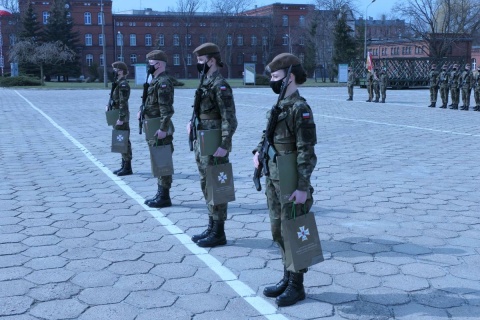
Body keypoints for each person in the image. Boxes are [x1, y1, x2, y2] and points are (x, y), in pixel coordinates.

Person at [253, 53, 318, 307]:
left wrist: (303, 187)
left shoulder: (300, 109)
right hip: (275, 177)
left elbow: (307, 151)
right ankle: (287, 275)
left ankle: (297, 285)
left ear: (289, 77)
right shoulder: (280, 105)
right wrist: (258, 153)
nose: (272, 80)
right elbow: (267, 134)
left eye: (275, 76)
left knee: (295, 230)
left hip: (292, 180)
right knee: (278, 230)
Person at [188, 43, 237, 248]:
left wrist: (225, 144)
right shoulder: (205, 81)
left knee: (216, 184)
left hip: (215, 141)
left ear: (211, 61)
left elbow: (230, 119)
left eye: (201, 61)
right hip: (204, 139)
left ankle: (219, 232)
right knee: (206, 182)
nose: (198, 65)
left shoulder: (220, 85)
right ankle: (211, 225)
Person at [141, 50, 175, 208]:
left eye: (151, 64)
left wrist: (163, 128)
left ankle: (164, 196)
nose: (149, 67)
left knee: (162, 160)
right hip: (153, 125)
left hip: (160, 128)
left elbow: (166, 110)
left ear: (159, 64)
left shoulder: (163, 82)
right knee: (158, 159)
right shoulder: (154, 80)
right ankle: (160, 192)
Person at [108, 61, 132, 176]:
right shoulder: (117, 83)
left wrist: (121, 118)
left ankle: (127, 167)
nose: (113, 71)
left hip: (121, 115)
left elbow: (123, 103)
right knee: (120, 140)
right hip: (116, 113)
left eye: (115, 69)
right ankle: (123, 165)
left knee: (123, 140)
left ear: (121, 71)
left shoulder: (123, 84)